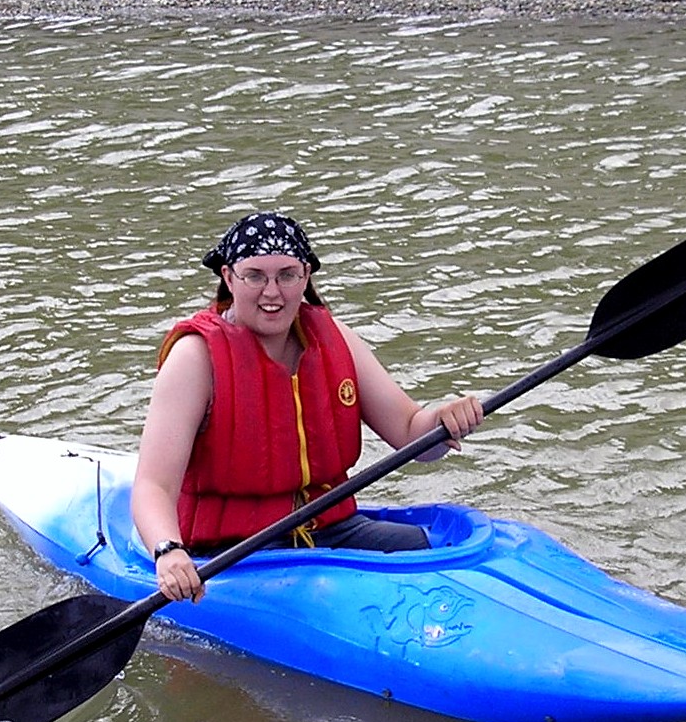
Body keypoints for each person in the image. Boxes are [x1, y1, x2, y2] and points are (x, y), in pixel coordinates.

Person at [131, 212, 484, 604]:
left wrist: (443, 421)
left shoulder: (334, 338)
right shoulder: (195, 358)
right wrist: (168, 551)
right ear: (229, 278)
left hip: (333, 530)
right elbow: (152, 487)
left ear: (306, 277)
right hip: (234, 553)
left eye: (287, 275)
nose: (272, 292)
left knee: (422, 545)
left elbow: (410, 432)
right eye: (255, 276)